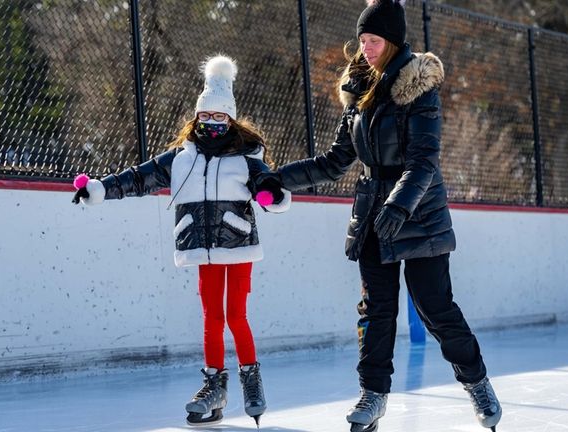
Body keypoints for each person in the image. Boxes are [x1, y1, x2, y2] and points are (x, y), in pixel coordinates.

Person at [255, 1, 501, 431]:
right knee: (375, 310)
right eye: (363, 40)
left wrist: (401, 204)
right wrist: (280, 180)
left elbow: (424, 160)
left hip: (418, 211)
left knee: (434, 307)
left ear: (392, 40)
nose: (365, 48)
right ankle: (372, 395)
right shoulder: (359, 89)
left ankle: (477, 382)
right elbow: (335, 160)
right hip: (372, 212)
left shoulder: (418, 88)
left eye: (374, 40)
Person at [72, 55, 290, 427]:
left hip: (236, 245)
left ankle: (251, 381)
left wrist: (271, 195)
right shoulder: (180, 159)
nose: (212, 123)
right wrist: (98, 189)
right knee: (211, 317)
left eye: (220, 117)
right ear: (197, 117)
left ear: (231, 119)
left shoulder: (247, 156)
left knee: (236, 315)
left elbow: (267, 183)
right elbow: (138, 178)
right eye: (206, 117)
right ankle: (214, 388)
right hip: (201, 248)